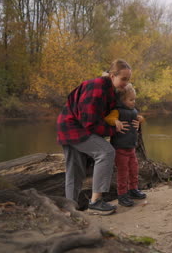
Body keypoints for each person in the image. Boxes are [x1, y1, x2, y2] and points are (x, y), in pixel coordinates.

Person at [57, 59, 138, 214]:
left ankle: (70, 210)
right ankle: (95, 202)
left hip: (73, 128)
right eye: (124, 79)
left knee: (76, 172)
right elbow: (90, 122)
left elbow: (118, 111)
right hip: (73, 128)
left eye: (128, 79)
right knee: (106, 152)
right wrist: (114, 130)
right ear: (113, 75)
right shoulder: (97, 87)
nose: (126, 83)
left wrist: (135, 122)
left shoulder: (110, 90)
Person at [104, 83, 146, 207]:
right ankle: (122, 195)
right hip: (120, 148)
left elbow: (141, 118)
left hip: (131, 148)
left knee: (134, 169)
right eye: (131, 100)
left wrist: (140, 120)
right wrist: (116, 121)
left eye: (134, 99)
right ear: (122, 100)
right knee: (123, 172)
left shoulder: (133, 111)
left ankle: (133, 189)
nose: (134, 102)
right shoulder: (117, 111)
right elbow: (108, 119)